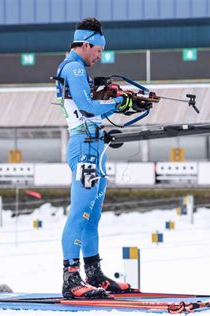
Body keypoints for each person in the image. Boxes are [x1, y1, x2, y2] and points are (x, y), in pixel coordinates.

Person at [54, 17, 135, 299]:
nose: (100, 56)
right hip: (84, 144)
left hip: (95, 145)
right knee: (80, 212)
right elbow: (87, 107)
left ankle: (94, 273)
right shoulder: (74, 67)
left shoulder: (80, 70)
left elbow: (88, 102)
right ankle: (71, 278)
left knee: (93, 215)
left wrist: (119, 101)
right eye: (98, 50)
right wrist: (118, 103)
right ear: (86, 44)